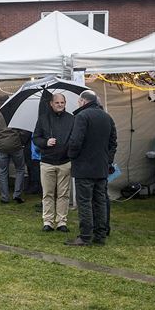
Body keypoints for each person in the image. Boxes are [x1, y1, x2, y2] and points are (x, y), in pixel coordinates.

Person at [65, 90, 117, 246]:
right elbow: (113, 143)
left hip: (84, 167)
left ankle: (85, 236)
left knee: (85, 202)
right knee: (100, 201)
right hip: (101, 167)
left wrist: (72, 156)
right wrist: (107, 161)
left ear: (83, 101)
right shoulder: (107, 117)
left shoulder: (82, 116)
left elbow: (75, 141)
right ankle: (100, 235)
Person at [33, 93, 74, 232]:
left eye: (62, 102)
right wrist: (46, 142)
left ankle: (62, 222)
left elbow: (75, 138)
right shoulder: (43, 119)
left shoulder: (71, 119)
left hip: (65, 162)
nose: (60, 105)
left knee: (63, 194)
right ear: (51, 103)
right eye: (57, 103)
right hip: (47, 162)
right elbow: (36, 138)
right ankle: (48, 221)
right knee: (48, 193)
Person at [0, 95, 26, 204]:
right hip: (16, 146)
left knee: (3, 172)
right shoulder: (16, 113)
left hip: (2, 147)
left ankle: (5, 197)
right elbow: (23, 130)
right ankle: (17, 194)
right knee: (20, 169)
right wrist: (21, 141)